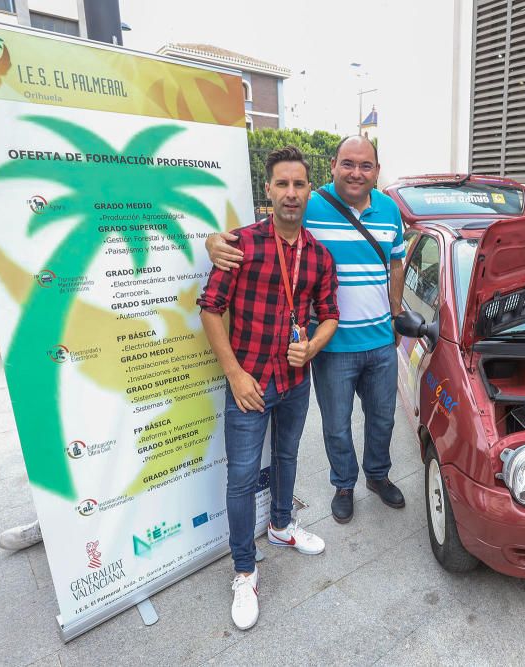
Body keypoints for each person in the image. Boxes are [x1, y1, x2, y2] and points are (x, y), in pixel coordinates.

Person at [206, 136, 406, 524]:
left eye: (366, 166)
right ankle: (344, 483)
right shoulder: (310, 204)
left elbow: (395, 264)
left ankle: (378, 476)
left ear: (377, 171)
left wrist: (396, 313)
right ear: (332, 166)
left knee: (383, 419)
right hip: (330, 346)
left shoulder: (390, 211)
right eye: (348, 164)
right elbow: (259, 230)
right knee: (336, 424)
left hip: (382, 340)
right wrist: (214, 240)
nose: (356, 172)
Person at [198, 145, 339, 631]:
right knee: (240, 477)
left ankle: (280, 526)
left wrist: (314, 345)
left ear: (309, 191)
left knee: (286, 457)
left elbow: (331, 314)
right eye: (283, 184)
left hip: (296, 381)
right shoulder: (241, 245)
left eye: (299, 184)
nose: (292, 193)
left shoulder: (319, 255)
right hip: (250, 384)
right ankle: (243, 569)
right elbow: (210, 307)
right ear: (269, 190)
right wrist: (235, 374)